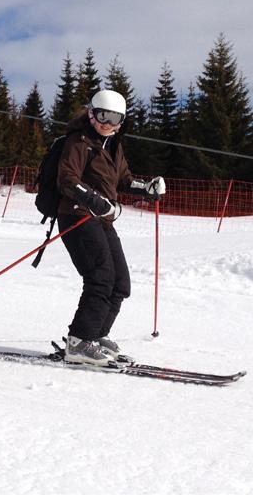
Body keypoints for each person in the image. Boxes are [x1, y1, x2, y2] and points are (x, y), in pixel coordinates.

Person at [56, 89, 166, 366]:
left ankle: (95, 335)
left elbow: (125, 181)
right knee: (100, 277)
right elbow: (67, 179)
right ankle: (79, 341)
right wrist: (95, 200)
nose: (108, 123)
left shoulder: (114, 146)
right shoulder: (78, 141)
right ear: (91, 113)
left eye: (115, 118)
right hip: (77, 215)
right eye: (103, 115)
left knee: (120, 283)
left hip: (101, 218)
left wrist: (148, 189)